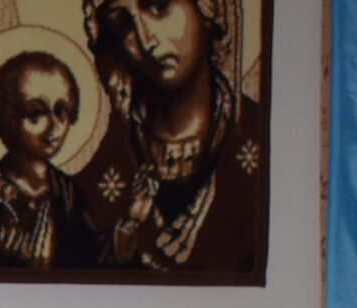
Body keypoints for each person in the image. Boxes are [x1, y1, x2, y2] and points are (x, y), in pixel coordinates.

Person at [75, 0, 268, 274]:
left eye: (158, 5)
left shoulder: (259, 145)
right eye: (123, 24)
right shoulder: (101, 172)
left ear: (210, 9)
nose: (145, 41)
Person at [0, 50, 88, 271]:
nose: (54, 126)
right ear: (9, 117)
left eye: (61, 111)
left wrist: (131, 222)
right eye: (36, 113)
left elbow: (91, 259)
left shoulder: (67, 192)